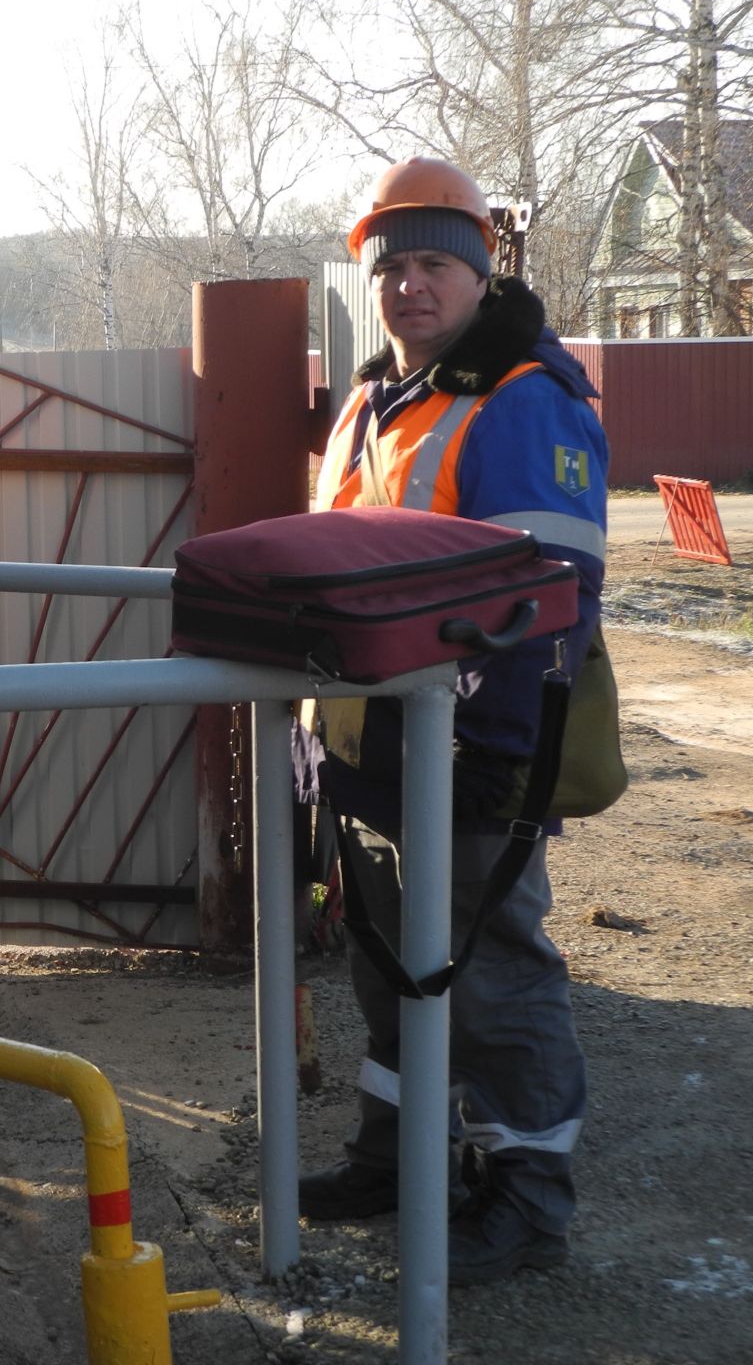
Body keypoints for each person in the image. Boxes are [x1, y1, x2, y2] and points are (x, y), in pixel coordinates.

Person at [295, 157, 608, 1283]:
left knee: (489, 974)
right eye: (392, 267)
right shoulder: (375, 401)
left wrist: (500, 753)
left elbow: (550, 593)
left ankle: (527, 1199)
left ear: (479, 272)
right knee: (386, 969)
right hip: (372, 748)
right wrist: (309, 732)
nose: (409, 286)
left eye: (434, 263)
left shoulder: (522, 396)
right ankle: (400, 1159)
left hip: (469, 750)